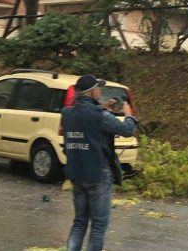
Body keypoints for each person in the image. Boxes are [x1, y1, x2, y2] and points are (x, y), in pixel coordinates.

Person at [62, 75, 138, 251]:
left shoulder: (67, 114)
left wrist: (103, 108)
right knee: (98, 226)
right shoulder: (99, 116)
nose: (100, 91)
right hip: (97, 173)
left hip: (76, 173)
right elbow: (127, 130)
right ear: (92, 91)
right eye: (99, 88)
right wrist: (129, 115)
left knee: (79, 222)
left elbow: (84, 122)